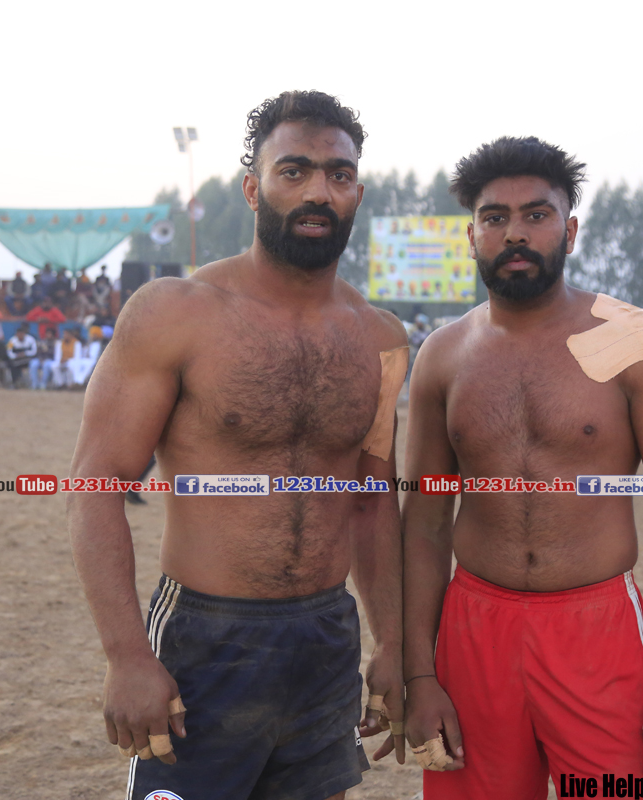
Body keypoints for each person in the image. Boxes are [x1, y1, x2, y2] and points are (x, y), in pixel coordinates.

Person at [67, 90, 409, 800]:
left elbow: (373, 504)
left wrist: (393, 642)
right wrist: (126, 655)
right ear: (253, 189)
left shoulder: (379, 338)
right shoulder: (176, 313)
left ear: (357, 193)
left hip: (326, 638)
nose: (318, 191)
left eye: (339, 175)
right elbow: (95, 486)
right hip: (205, 636)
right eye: (294, 171)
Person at [402, 136, 643, 792]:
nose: (515, 233)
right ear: (471, 236)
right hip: (473, 628)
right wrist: (419, 673)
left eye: (536, 215)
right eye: (495, 218)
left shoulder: (637, 341)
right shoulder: (443, 355)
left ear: (569, 231)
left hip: (596, 630)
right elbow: (425, 523)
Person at [5, 322, 37, 388]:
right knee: (13, 364)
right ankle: (15, 382)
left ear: (24, 334)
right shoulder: (12, 341)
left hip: (27, 359)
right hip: (16, 359)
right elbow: (9, 352)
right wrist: (16, 355)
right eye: (18, 334)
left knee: (33, 363)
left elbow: (34, 351)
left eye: (21, 334)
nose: (20, 335)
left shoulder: (31, 339)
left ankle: (31, 384)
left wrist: (25, 353)